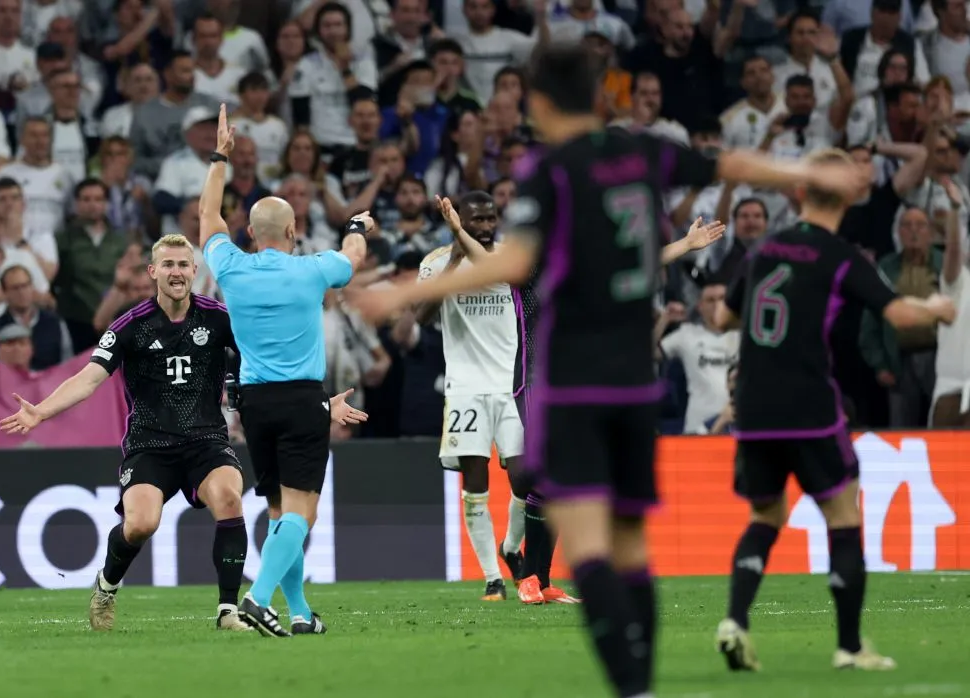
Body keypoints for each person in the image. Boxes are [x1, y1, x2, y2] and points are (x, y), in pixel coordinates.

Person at [352, 43, 871, 698]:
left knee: (586, 540)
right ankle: (642, 680)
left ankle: (630, 686)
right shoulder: (642, 153)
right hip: (634, 382)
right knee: (631, 547)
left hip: (573, 382)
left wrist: (404, 293)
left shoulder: (554, 169)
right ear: (600, 95)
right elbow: (729, 161)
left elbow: (515, 262)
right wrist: (805, 172)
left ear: (539, 103)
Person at [712, 148, 955, 674]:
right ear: (847, 194)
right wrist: (936, 307)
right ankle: (849, 646)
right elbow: (898, 313)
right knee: (844, 518)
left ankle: (735, 620)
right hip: (809, 405)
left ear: (801, 190)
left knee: (764, 516)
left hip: (752, 405)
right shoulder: (841, 256)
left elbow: (722, 319)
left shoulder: (765, 249)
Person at [0, 233, 253, 633]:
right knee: (140, 525)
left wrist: (318, 401)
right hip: (149, 444)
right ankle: (106, 585)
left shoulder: (219, 318)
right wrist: (41, 412)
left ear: (194, 271)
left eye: (183, 265)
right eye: (167, 265)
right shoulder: (130, 325)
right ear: (153, 272)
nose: (176, 272)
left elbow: (264, 358)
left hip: (206, 441)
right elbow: (88, 379)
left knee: (229, 498)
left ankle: (227, 611)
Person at [199, 104, 368, 637]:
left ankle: (299, 614)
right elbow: (354, 256)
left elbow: (208, 219)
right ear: (293, 229)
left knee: (278, 513)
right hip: (301, 401)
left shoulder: (231, 267)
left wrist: (219, 158)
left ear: (249, 233)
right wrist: (359, 225)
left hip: (253, 404)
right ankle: (257, 598)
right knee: (301, 514)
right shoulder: (313, 269)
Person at [515, 213, 726, 606]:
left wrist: (685, 245)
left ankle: (540, 580)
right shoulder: (529, 264)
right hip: (536, 378)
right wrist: (460, 234)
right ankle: (529, 575)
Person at [419, 192, 533, 602]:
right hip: (465, 387)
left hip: (510, 385)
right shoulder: (434, 263)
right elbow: (422, 316)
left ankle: (510, 547)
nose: (486, 227)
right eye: (476, 220)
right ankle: (492, 578)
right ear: (458, 220)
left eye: (491, 219)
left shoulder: (507, 256)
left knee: (525, 477)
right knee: (476, 485)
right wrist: (452, 260)